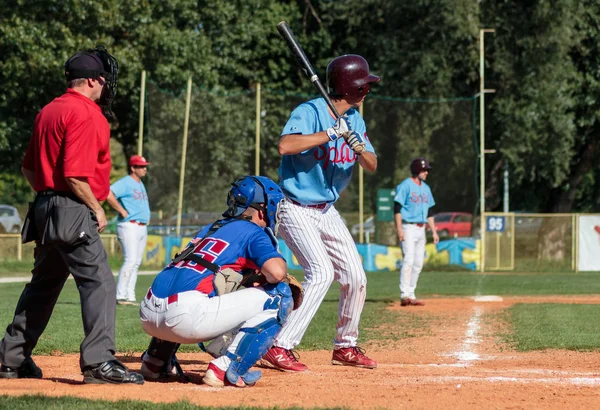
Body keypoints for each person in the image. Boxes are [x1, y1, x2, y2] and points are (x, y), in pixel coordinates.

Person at [0, 47, 143, 384]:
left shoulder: (48, 110)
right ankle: (99, 363)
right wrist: (95, 207)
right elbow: (74, 174)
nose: (107, 86)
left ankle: (10, 359)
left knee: (44, 286)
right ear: (94, 80)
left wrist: (47, 197)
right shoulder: (88, 113)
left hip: (44, 207)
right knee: (101, 284)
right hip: (72, 207)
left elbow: (28, 168)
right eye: (104, 80)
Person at [261, 54, 379, 372]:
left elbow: (372, 164)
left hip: (326, 210)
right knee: (322, 273)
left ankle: (346, 346)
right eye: (364, 84)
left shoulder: (355, 119)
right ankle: (278, 346)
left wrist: (359, 147)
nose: (368, 89)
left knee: (355, 277)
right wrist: (329, 134)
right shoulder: (309, 111)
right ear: (349, 86)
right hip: (294, 207)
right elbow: (285, 146)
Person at [139, 176, 295, 388]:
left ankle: (155, 361)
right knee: (280, 294)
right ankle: (225, 368)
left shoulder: (212, 227)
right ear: (262, 209)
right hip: (185, 316)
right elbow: (277, 273)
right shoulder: (254, 231)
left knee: (190, 285)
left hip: (148, 311)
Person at [393, 157, 439, 307]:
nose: (426, 172)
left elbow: (430, 212)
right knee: (409, 260)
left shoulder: (426, 188)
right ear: (416, 170)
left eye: (427, 170)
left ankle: (411, 293)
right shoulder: (405, 186)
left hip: (421, 229)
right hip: (408, 227)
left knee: (418, 263)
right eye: (424, 170)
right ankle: (404, 294)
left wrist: (434, 231)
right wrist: (399, 229)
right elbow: (397, 209)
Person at [106, 154, 151, 306]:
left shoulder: (140, 183)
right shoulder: (126, 182)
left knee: (136, 262)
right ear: (133, 168)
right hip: (129, 225)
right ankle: (120, 295)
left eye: (145, 166)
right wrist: (121, 210)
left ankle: (129, 295)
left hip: (141, 227)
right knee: (130, 260)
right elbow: (108, 193)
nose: (144, 169)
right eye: (141, 166)